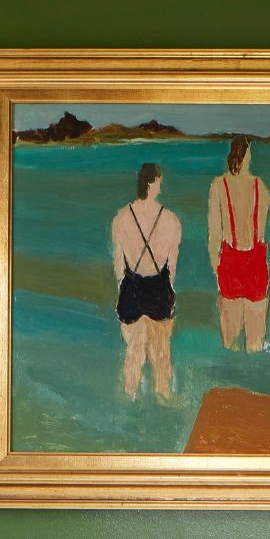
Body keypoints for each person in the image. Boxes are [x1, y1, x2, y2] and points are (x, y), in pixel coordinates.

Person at [111, 161, 181, 401]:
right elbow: (172, 267)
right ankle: (163, 399)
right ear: (154, 183)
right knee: (161, 354)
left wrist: (127, 284)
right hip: (158, 288)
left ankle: (130, 399)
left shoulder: (121, 218)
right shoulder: (171, 220)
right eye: (159, 180)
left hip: (131, 287)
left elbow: (119, 265)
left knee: (133, 352)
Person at [208, 135, 270, 352]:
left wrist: (215, 264)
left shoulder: (219, 185)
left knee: (229, 342)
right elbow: (260, 231)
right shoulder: (259, 186)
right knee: (255, 342)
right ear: (247, 156)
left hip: (230, 262)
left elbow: (215, 233)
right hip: (255, 261)